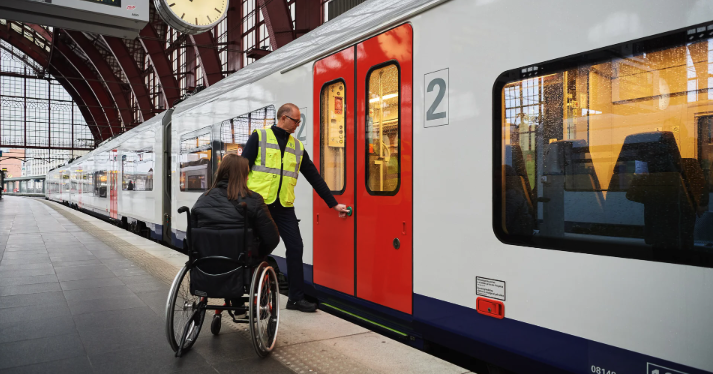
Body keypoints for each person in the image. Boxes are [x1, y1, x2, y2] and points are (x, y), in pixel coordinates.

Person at [242, 103, 349, 312]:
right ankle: (250, 290)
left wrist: (333, 204)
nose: (298, 125)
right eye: (296, 121)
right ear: (283, 118)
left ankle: (295, 298)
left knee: (295, 247)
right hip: (258, 204)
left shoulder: (297, 147)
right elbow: (241, 168)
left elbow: (313, 176)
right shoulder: (260, 137)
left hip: (283, 206)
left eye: (299, 121)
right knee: (254, 248)